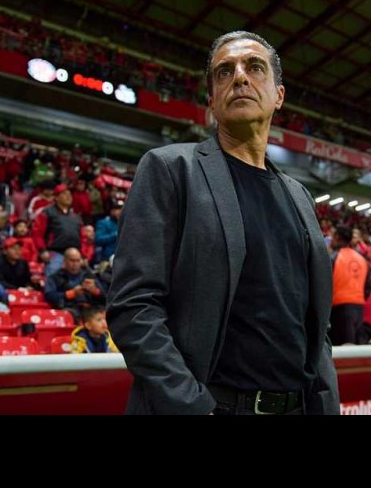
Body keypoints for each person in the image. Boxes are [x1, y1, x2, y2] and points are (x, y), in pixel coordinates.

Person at [107, 30, 339, 415]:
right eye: (224, 72)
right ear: (212, 100)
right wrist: (195, 406)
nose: (240, 77)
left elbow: (316, 325)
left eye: (255, 67)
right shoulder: (170, 169)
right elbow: (133, 306)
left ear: (279, 95)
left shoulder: (300, 196)